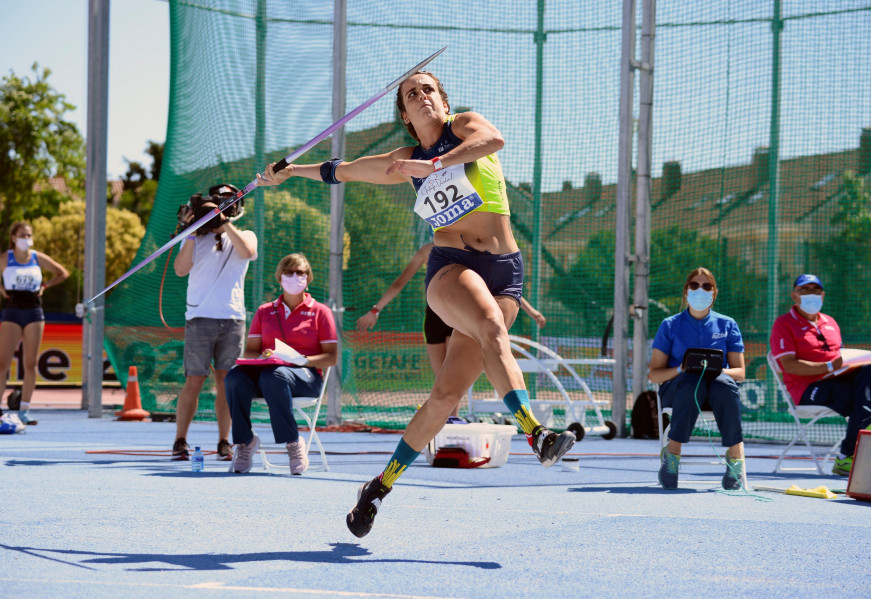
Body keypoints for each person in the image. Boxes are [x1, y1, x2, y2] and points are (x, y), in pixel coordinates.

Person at [257, 70, 575, 537]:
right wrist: (288, 174)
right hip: (452, 266)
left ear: (443, 102)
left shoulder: (465, 127)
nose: (421, 96)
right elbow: (342, 170)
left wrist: (438, 164)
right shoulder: (403, 159)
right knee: (490, 327)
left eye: (428, 89)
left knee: (445, 399)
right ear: (405, 116)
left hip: (505, 270)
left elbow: (494, 140)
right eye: (411, 94)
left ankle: (376, 488)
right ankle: (537, 434)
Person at [355, 241, 547, 418]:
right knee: (446, 381)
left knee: (449, 381)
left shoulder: (457, 249)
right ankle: (447, 426)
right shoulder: (442, 250)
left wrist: (531, 311)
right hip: (444, 317)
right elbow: (400, 282)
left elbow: (500, 287)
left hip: (450, 316)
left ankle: (452, 425)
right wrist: (375, 309)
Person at [770, 274, 871, 476]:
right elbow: (789, 366)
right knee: (858, 399)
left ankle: (870, 425)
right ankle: (849, 453)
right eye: (805, 290)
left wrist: (855, 362)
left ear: (823, 295)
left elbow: (841, 358)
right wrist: (828, 367)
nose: (811, 294)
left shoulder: (831, 322)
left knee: (868, 370)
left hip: (836, 381)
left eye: (816, 290)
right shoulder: (783, 324)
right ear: (794, 296)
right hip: (807, 390)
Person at [225, 253, 338, 475]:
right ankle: (245, 442)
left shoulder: (320, 312)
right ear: (279, 278)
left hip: (306, 377)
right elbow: (251, 349)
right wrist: (261, 357)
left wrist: (303, 360)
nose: (294, 277)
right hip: (269, 373)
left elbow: (331, 357)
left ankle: (293, 442)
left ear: (308, 277)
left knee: (274, 375)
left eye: (300, 272)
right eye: (289, 272)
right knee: (234, 376)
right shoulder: (264, 311)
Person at [171, 184, 258, 461]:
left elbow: (247, 252)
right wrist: (193, 231)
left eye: (225, 204)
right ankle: (180, 440)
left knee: (227, 382)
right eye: (216, 204)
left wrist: (224, 224)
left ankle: (224, 441)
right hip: (199, 318)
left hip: (232, 319)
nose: (220, 209)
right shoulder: (196, 237)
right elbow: (180, 269)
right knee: (193, 380)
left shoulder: (244, 234)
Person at [648, 267, 746, 490]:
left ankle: (735, 456)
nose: (700, 290)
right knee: (692, 381)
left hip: (716, 393)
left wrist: (717, 370)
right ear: (686, 292)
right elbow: (654, 374)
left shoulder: (727, 324)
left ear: (714, 292)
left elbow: (740, 373)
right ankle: (672, 456)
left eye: (706, 286)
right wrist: (681, 368)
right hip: (678, 390)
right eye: (694, 285)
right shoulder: (670, 325)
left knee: (724, 384)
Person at [0, 221, 69, 425]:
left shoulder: (37, 257)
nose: (26, 239)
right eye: (22, 235)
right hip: (12, 310)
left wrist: (45, 285)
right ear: (13, 238)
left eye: (29, 235)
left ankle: (24, 410)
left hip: (33, 311)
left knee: (31, 363)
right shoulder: (6, 258)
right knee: (3, 362)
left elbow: (62, 273)